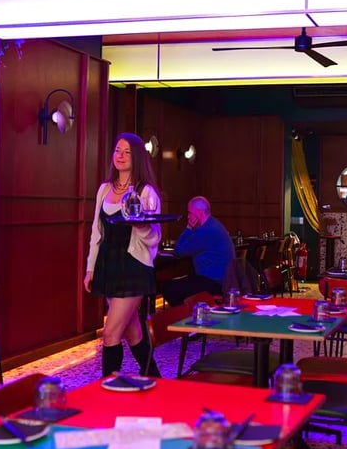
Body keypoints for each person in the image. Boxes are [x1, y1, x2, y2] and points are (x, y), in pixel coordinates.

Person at [84, 132, 161, 378]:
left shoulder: (146, 192)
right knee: (132, 331)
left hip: (133, 267)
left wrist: (140, 226)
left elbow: (153, 238)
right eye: (118, 150)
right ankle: (155, 377)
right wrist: (90, 268)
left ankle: (107, 388)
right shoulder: (104, 189)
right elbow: (97, 232)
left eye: (127, 152)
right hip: (108, 265)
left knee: (110, 334)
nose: (121, 156)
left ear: (137, 157)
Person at [162, 196, 235, 306]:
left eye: (190, 213)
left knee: (169, 289)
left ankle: (185, 318)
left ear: (198, 213)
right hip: (222, 281)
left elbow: (178, 250)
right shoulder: (214, 224)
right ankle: (190, 313)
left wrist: (189, 227)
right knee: (184, 282)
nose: (188, 216)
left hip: (214, 283)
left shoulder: (206, 231)